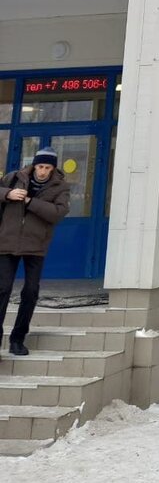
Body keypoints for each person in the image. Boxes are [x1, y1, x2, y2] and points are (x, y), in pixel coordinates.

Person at [0, 149, 70, 357]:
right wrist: (7, 194)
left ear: (53, 168)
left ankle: (17, 339)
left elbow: (58, 213)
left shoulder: (60, 187)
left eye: (47, 167)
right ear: (34, 165)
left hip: (36, 245)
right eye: (40, 166)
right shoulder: (14, 178)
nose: (43, 171)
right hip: (7, 242)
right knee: (2, 289)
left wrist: (30, 202)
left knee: (30, 292)